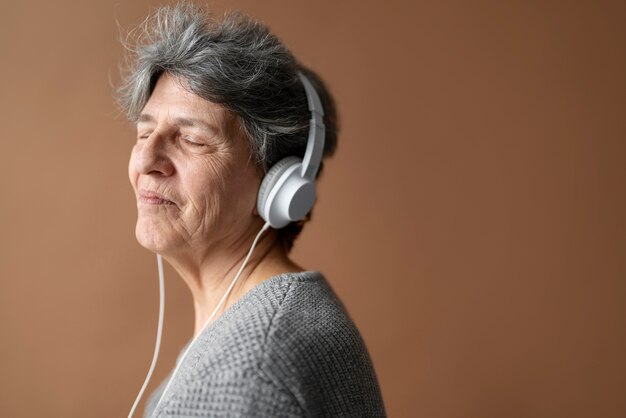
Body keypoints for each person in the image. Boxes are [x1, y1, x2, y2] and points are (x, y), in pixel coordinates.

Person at [116, 3, 385, 417]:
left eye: (191, 139)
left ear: (278, 181)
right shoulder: (279, 322)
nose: (147, 159)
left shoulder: (246, 376)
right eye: (145, 132)